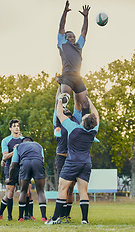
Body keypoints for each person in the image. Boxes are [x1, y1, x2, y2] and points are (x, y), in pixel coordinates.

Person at [46, 95, 99, 225]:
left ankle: (54, 219)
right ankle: (84, 219)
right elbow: (96, 114)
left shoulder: (73, 128)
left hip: (72, 163)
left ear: (83, 121)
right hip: (86, 164)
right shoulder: (93, 130)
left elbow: (59, 113)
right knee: (83, 192)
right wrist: (89, 101)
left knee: (62, 189)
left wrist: (59, 99)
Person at [56, 0, 91, 119]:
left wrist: (86, 17)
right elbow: (62, 26)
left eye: (73, 36)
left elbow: (84, 32)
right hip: (67, 76)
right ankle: (58, 124)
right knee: (64, 98)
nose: (72, 38)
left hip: (77, 77)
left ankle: (86, 127)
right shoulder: (62, 44)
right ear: (65, 38)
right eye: (69, 36)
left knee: (85, 103)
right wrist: (65, 12)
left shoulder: (78, 46)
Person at [53, 86, 82, 222]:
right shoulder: (58, 122)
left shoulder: (76, 119)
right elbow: (56, 103)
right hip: (61, 158)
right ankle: (59, 215)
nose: (65, 109)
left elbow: (77, 104)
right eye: (63, 109)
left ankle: (66, 215)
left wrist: (75, 86)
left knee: (71, 188)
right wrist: (60, 87)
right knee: (63, 187)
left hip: (73, 159)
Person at [0, 119, 34, 221]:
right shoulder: (6, 141)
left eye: (18, 125)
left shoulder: (24, 140)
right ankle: (8, 216)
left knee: (27, 192)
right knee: (10, 192)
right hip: (10, 169)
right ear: (10, 128)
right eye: (14, 126)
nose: (16, 127)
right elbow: (5, 157)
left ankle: (27, 215)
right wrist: (15, 151)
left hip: (23, 168)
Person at [6, 137, 48, 222]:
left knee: (23, 191)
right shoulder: (39, 146)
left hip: (25, 163)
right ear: (32, 141)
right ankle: (44, 217)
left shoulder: (19, 146)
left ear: (23, 142)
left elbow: (13, 165)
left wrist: (10, 178)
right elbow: (42, 161)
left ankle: (20, 217)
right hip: (38, 163)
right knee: (40, 191)